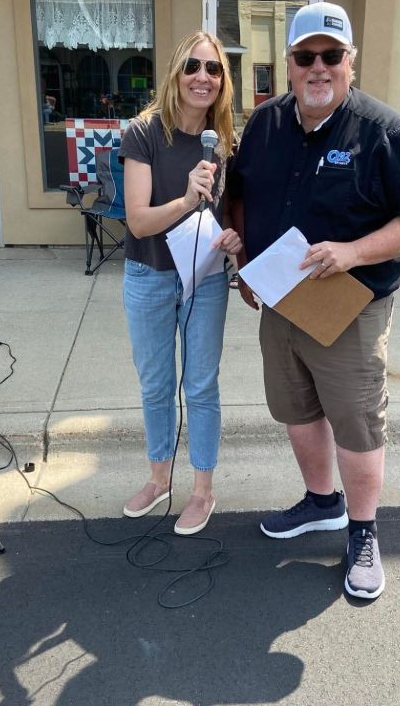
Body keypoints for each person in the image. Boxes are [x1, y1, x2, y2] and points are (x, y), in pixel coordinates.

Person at [229, 2, 400, 600]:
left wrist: (353, 251)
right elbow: (239, 193)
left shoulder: (383, 132)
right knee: (295, 408)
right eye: (306, 57)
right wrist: (245, 265)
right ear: (289, 65)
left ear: (351, 61)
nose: (318, 67)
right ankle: (322, 502)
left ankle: (363, 531)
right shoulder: (265, 123)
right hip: (282, 298)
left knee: (354, 419)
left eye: (331, 55)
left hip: (351, 303)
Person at [118, 31, 242, 535]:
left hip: (205, 278)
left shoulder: (225, 141)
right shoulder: (144, 132)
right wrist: (187, 200)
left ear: (223, 81)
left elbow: (231, 210)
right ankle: (159, 479)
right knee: (156, 385)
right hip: (148, 274)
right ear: (176, 72)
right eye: (192, 66)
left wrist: (234, 236)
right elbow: (138, 222)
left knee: (201, 385)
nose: (202, 77)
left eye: (213, 69)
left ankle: (202, 490)